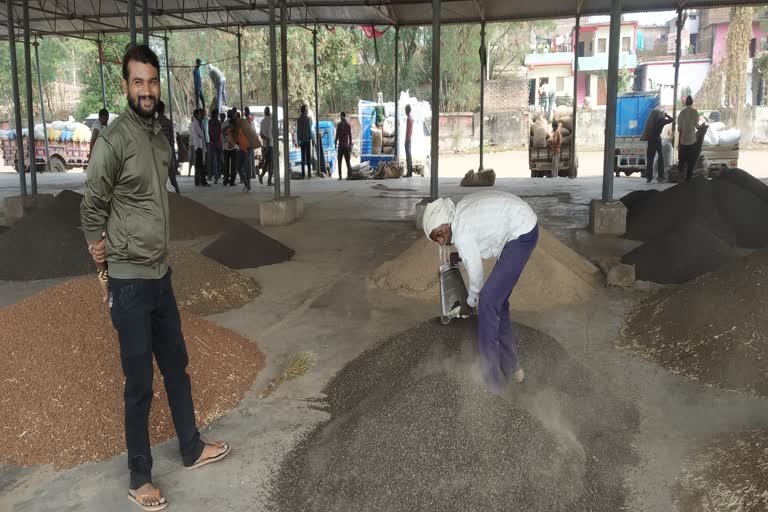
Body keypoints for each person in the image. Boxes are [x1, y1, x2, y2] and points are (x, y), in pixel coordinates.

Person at [80, 44, 230, 512]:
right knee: (139, 381)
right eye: (137, 82)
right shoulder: (113, 141)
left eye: (152, 82)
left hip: (160, 273)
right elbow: (92, 204)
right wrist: (97, 250)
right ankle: (139, 476)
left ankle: (190, 447)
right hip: (127, 280)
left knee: (177, 365)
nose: (146, 90)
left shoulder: (160, 136)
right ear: (125, 86)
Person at [422, 191, 539, 392]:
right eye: (436, 239)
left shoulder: (461, 230)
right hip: (523, 225)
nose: (441, 241)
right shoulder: (461, 213)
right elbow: (483, 239)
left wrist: (470, 303)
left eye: (439, 234)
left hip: (521, 233)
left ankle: (492, 386)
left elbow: (476, 274)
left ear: (445, 221)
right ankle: (513, 369)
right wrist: (460, 255)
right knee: (497, 302)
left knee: (486, 301)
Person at [157, 101, 180, 195]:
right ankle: (178, 194)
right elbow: (172, 140)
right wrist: (173, 155)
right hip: (168, 152)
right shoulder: (168, 122)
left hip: (159, 153)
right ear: (163, 109)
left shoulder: (155, 123)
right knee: (172, 176)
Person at [644, 110, 673, 183]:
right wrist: (666, 115)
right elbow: (671, 119)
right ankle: (660, 176)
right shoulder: (661, 121)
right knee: (660, 157)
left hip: (651, 141)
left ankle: (649, 177)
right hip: (657, 140)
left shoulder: (650, 121)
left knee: (650, 159)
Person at [677, 95, 699, 181]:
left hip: (683, 141)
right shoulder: (695, 112)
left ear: (685, 103)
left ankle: (680, 178)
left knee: (681, 161)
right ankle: (688, 179)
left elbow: (679, 129)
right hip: (692, 140)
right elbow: (697, 126)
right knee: (691, 161)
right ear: (692, 102)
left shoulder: (681, 113)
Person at [191, 109, 208, 186]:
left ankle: (197, 181)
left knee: (197, 165)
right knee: (200, 165)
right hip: (199, 146)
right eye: (199, 114)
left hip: (197, 145)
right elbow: (201, 134)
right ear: (196, 115)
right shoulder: (196, 123)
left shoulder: (194, 122)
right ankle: (203, 182)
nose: (200, 116)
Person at [297, 105, 314, 179]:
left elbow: (298, 130)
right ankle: (309, 174)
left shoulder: (298, 119)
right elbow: (309, 130)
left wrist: (298, 140)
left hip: (301, 141)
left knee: (302, 158)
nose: (307, 111)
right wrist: (312, 138)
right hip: (307, 140)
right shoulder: (308, 119)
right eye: (306, 110)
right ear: (304, 110)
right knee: (308, 158)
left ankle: (303, 174)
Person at [334, 112, 353, 180]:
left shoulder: (339, 125)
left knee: (340, 161)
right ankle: (349, 175)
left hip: (341, 146)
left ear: (343, 116)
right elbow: (350, 136)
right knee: (347, 161)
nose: (340, 117)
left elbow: (337, 135)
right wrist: (350, 145)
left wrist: (335, 143)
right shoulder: (348, 125)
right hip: (346, 146)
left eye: (341, 116)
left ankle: (340, 176)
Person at [222, 109, 237, 186]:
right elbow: (236, 135)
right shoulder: (235, 123)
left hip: (225, 147)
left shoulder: (223, 123)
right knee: (233, 165)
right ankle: (232, 181)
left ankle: (225, 180)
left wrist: (227, 142)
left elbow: (222, 135)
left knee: (226, 165)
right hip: (233, 147)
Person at [208, 109, 223, 184]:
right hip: (218, 143)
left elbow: (210, 132)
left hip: (213, 143)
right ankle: (217, 175)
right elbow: (219, 132)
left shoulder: (210, 122)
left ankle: (215, 175)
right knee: (218, 160)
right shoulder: (218, 122)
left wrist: (213, 140)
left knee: (214, 160)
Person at [259, 106, 274, 186]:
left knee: (267, 162)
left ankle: (262, 176)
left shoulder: (262, 122)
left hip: (264, 145)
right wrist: (268, 143)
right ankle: (269, 181)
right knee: (271, 164)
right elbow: (271, 135)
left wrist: (265, 144)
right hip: (270, 145)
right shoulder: (271, 121)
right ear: (269, 112)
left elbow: (261, 135)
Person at [404, 104, 414, 177]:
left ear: (407, 110)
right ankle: (409, 172)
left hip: (408, 139)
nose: (405, 111)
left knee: (408, 156)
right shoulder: (411, 118)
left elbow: (408, 131)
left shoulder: (408, 119)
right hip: (409, 139)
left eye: (405, 110)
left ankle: (409, 172)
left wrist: (406, 140)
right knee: (409, 156)